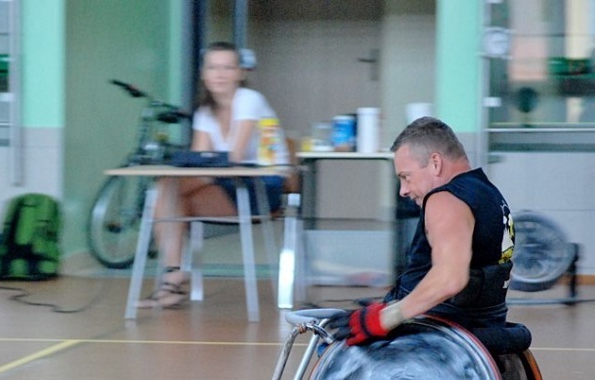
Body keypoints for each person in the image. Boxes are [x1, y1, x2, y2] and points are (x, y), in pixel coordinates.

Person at [328, 117, 517, 347]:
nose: (403, 191)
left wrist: (386, 317)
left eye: (406, 177)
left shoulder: (445, 200)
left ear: (435, 163)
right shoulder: (490, 195)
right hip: (485, 326)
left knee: (331, 342)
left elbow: (450, 279)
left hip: (436, 334)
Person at [138, 41, 289, 309]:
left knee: (170, 191)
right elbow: (200, 161)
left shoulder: (249, 100)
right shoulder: (205, 112)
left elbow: (235, 156)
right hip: (227, 186)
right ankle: (174, 274)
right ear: (204, 74)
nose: (219, 74)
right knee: (166, 189)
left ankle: (173, 279)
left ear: (240, 73)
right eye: (213, 67)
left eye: (227, 67)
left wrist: (201, 169)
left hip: (260, 187)